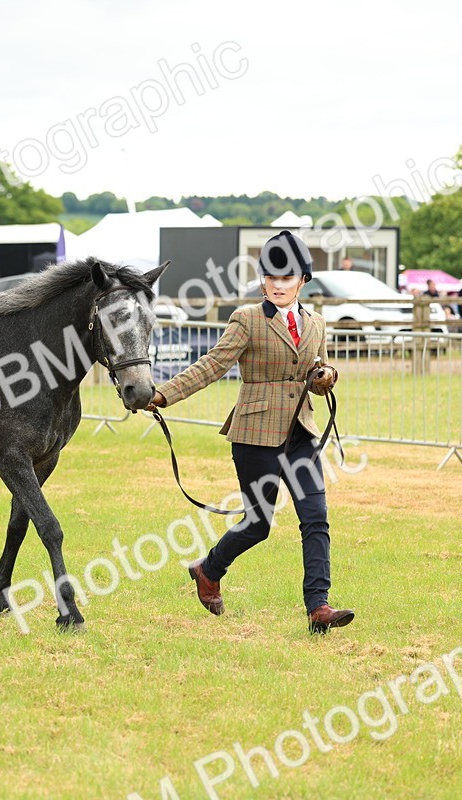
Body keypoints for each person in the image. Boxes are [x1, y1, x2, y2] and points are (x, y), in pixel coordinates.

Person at [147, 230, 355, 634]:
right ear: (263, 281)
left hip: (301, 433)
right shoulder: (247, 319)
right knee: (258, 524)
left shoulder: (317, 322)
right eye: (271, 278)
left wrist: (326, 376)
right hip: (254, 435)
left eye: (286, 278)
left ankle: (318, 607)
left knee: (316, 517)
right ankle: (208, 570)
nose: (278, 285)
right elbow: (212, 364)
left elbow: (318, 367)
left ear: (302, 281)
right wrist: (162, 394)